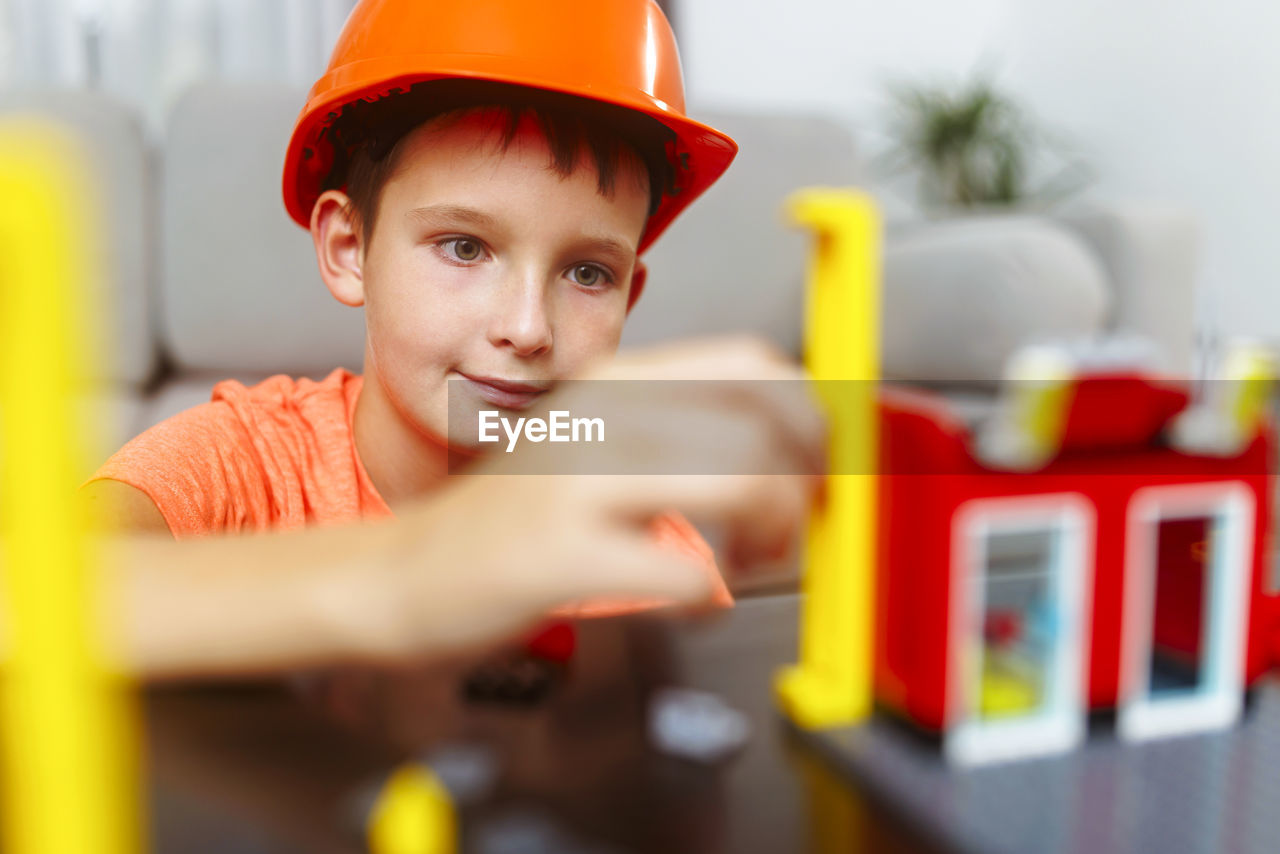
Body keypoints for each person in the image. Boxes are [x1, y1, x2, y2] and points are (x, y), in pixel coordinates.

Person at [78, 0, 824, 677]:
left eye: (588, 273)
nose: (528, 328)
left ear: (630, 297)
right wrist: (409, 573)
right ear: (347, 248)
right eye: (464, 248)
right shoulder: (242, 462)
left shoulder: (644, 556)